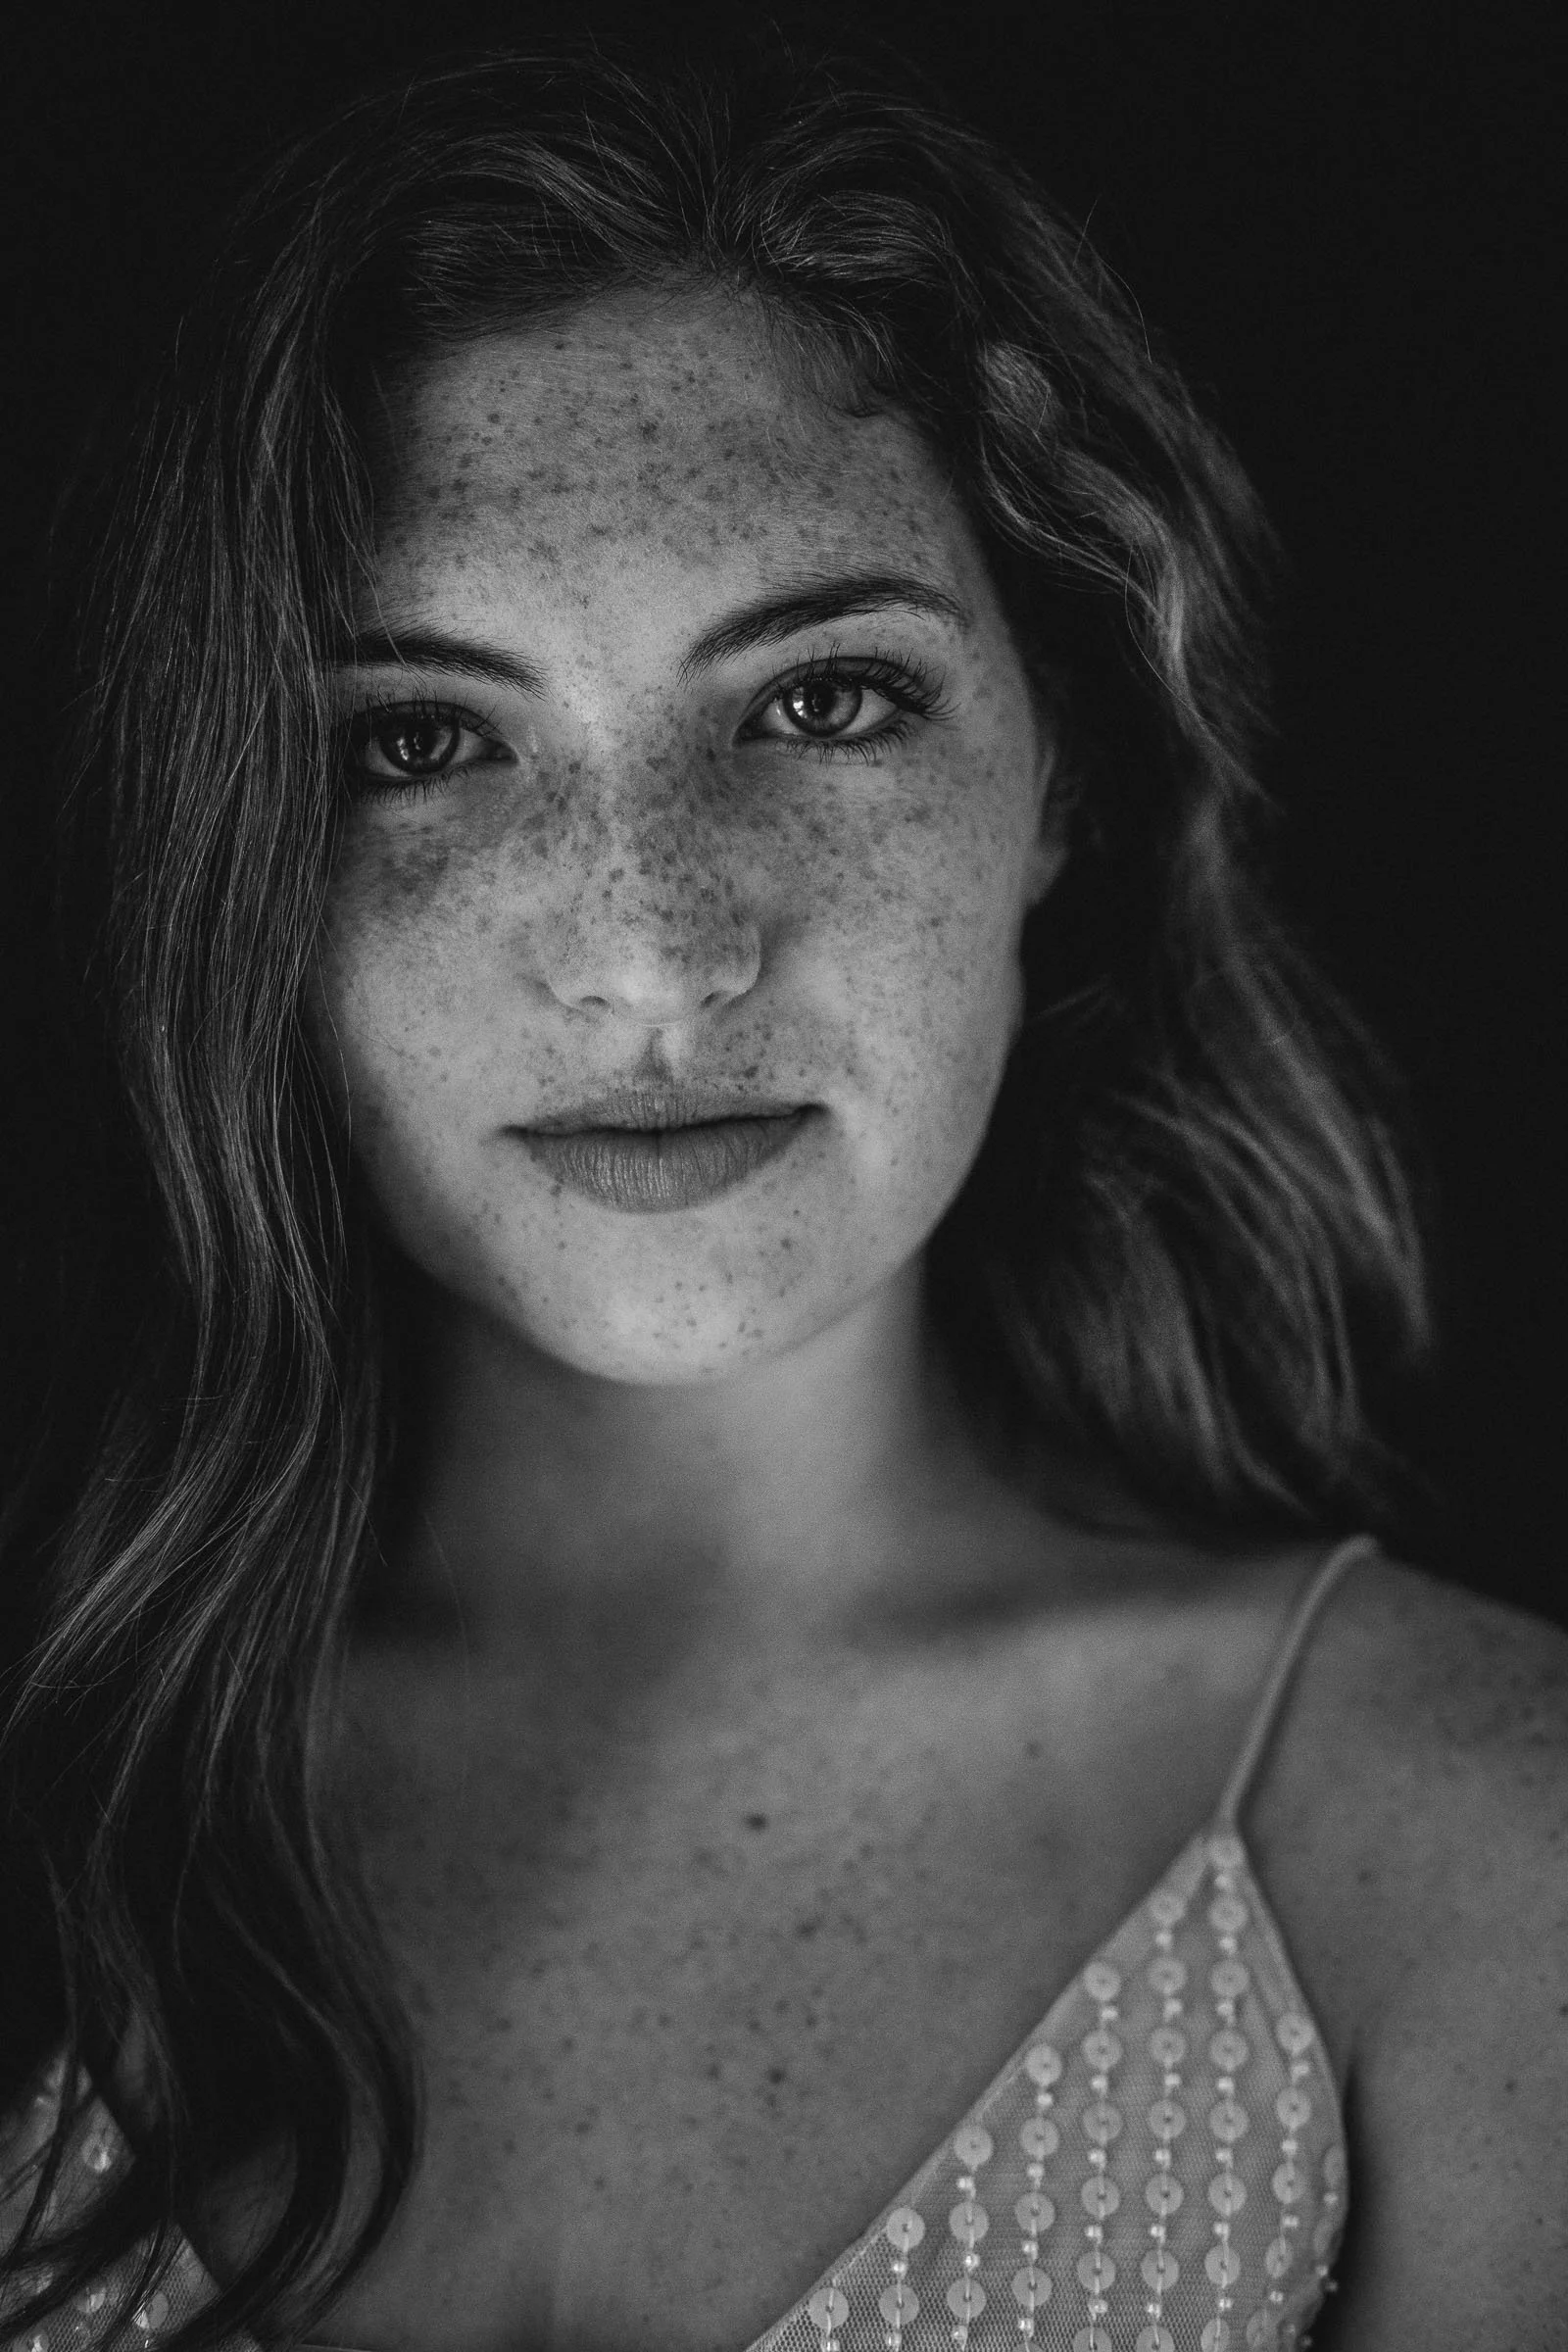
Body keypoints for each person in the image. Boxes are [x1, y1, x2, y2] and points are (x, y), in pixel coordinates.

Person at [1, 33, 1563, 2352]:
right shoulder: (56, 1800)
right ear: (227, 856)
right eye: (418, 740)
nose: (651, 951)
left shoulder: (1465, 1858)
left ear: (1061, 769)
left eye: (822, 701)